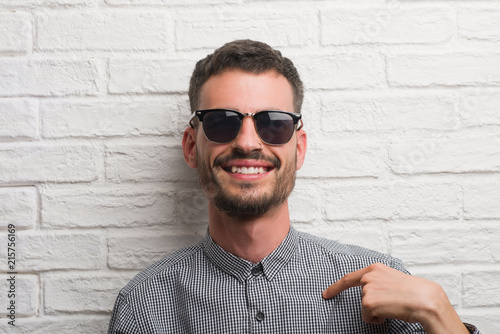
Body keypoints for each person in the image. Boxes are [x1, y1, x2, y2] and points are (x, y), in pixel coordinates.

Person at [108, 39, 479, 334]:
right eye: (223, 122)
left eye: (273, 124)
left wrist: (439, 313)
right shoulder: (143, 307)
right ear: (192, 147)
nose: (248, 143)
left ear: (298, 148)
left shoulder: (384, 284)